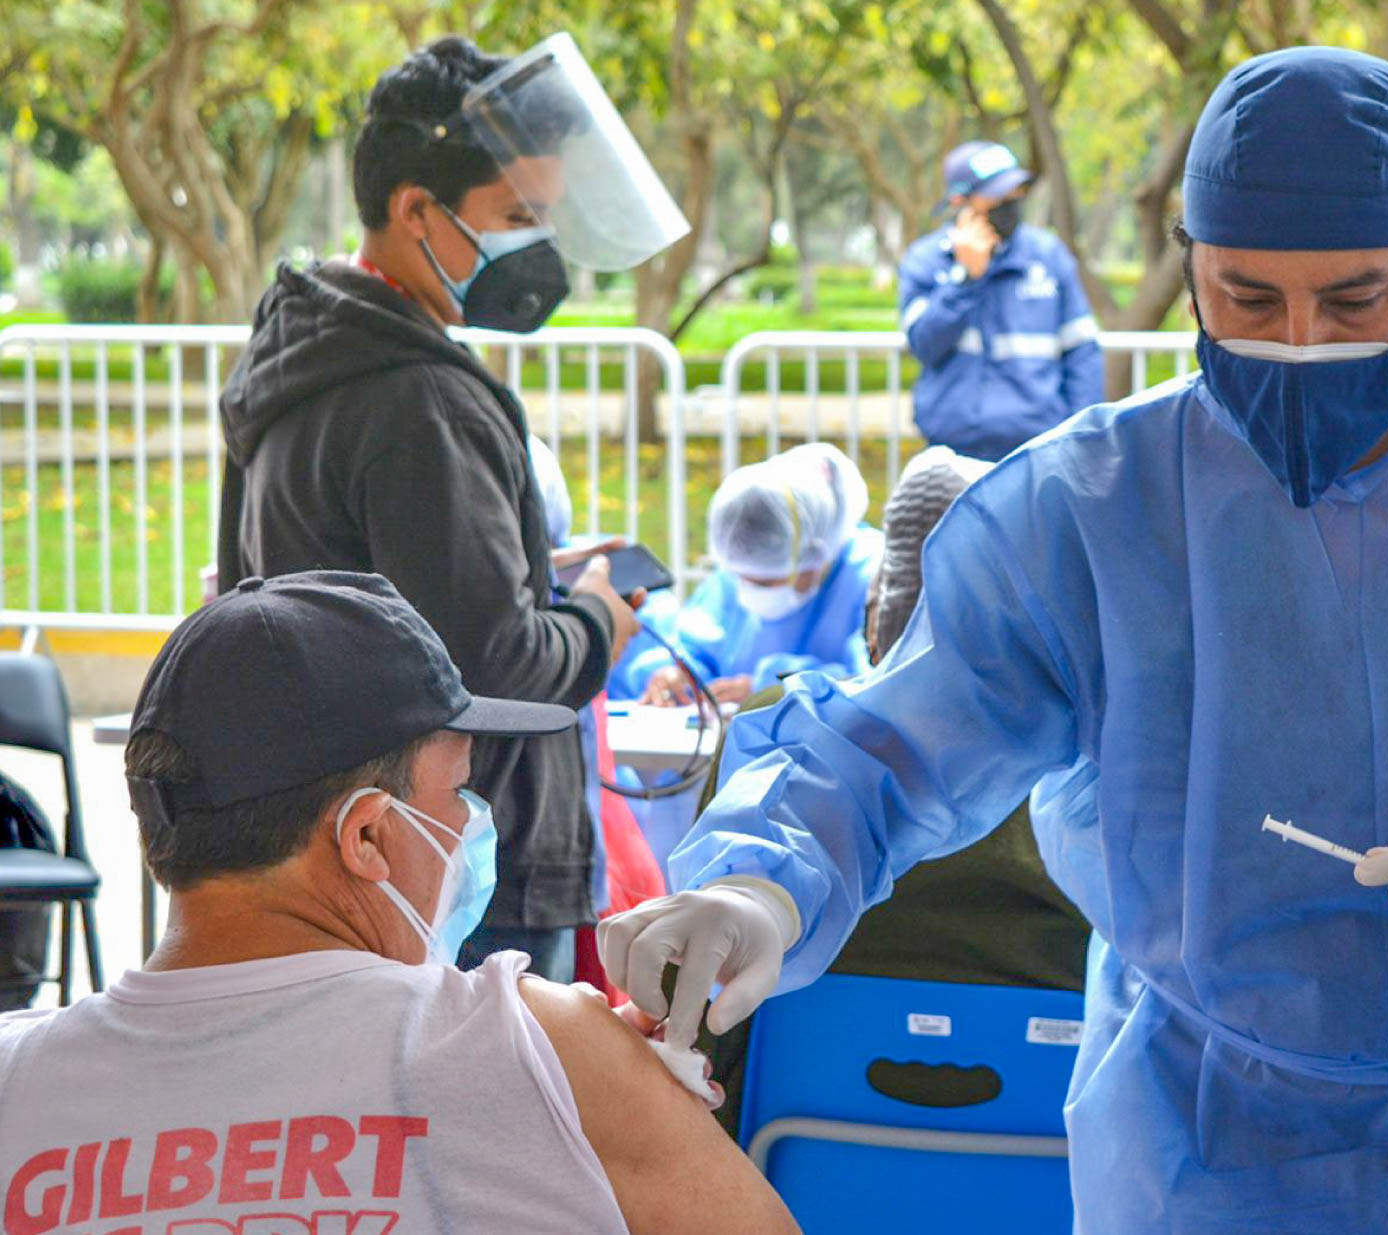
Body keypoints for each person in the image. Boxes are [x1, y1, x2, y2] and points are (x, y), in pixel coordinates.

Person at [598, 47, 1388, 1234]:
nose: (1300, 345)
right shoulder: (1087, 509)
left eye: (1356, 300)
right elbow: (894, 746)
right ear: (1189, 269)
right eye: (1246, 299)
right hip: (1195, 1135)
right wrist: (760, 881)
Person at [0, 571, 798, 1234]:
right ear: (368, 837)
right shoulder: (536, 1046)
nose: (470, 823)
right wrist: (584, 1090)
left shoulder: (16, 1080)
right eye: (457, 789)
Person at [216, 34, 687, 980]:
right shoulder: (419, 398)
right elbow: (493, 666)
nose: (537, 244)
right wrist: (596, 615)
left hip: (347, 855)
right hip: (469, 872)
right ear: (415, 210)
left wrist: (526, 575)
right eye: (516, 215)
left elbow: (377, 590)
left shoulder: (305, 356)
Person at [694, 446, 1091, 1137]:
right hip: (1048, 1177)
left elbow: (693, 1009)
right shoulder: (1088, 779)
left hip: (785, 1174)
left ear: (876, 619)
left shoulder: (777, 734)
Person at [615, 444, 883, 707]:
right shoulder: (734, 575)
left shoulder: (871, 577)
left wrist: (773, 690)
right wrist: (678, 674)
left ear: (816, 554)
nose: (748, 590)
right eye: (740, 576)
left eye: (766, 582)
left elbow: (875, 684)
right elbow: (696, 645)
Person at [898, 141, 1103, 462]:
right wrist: (965, 278)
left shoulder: (1047, 256)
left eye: (1016, 192)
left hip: (1037, 450)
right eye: (997, 195)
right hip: (952, 451)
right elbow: (924, 344)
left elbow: (1082, 354)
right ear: (959, 202)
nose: (1011, 202)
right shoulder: (926, 261)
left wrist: (1081, 438)